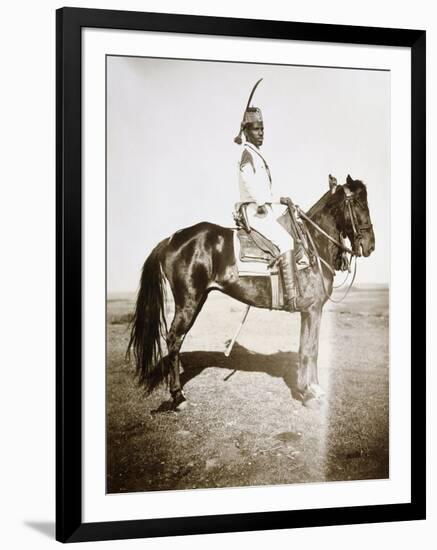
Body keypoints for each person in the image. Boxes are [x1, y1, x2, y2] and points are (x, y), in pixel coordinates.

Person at [234, 80, 314, 313]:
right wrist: (261, 203)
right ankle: (291, 300)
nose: (261, 133)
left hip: (262, 207)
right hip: (253, 210)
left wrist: (281, 199)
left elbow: (265, 190)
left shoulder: (256, 154)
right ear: (247, 132)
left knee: (293, 227)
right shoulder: (247, 154)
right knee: (286, 241)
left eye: (263, 129)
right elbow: (248, 181)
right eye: (257, 129)